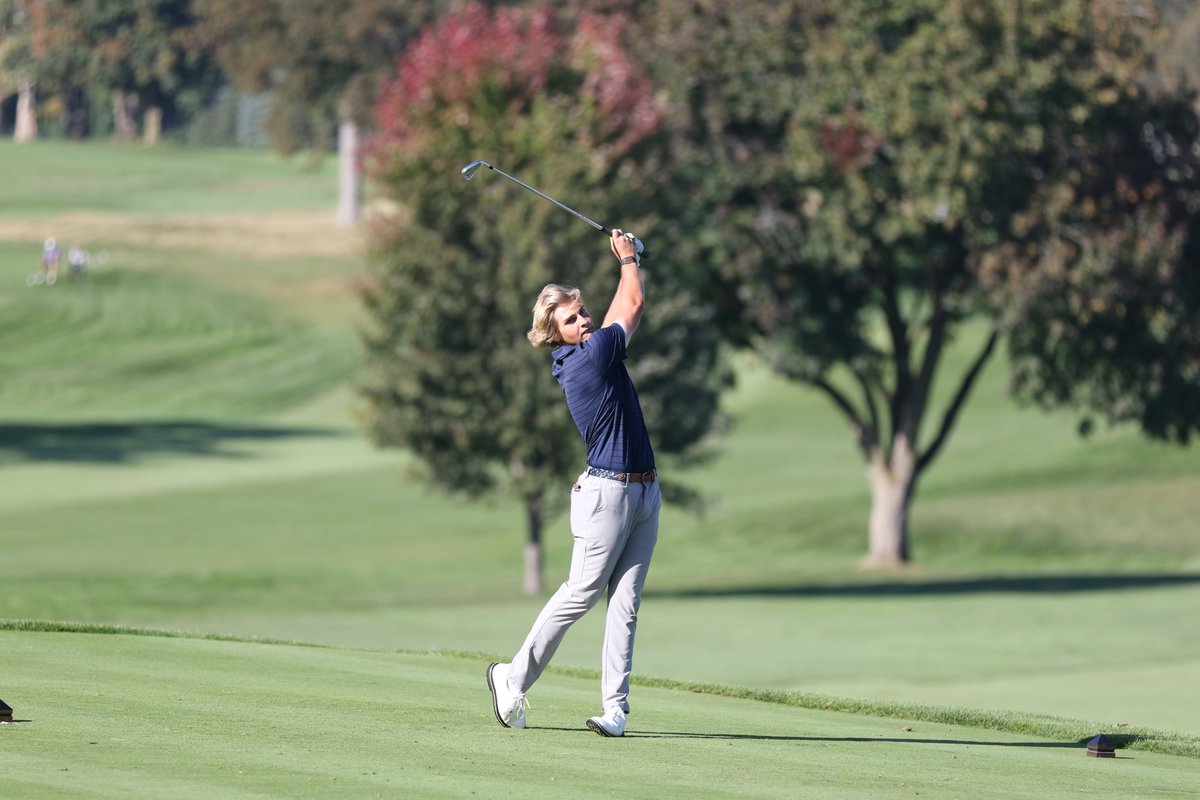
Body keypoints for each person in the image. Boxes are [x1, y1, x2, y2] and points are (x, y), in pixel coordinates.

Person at [487, 228, 661, 738]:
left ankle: (615, 710)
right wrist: (628, 257)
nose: (583, 321)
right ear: (552, 333)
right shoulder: (587, 361)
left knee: (625, 603)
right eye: (571, 319)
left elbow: (612, 319)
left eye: (583, 312)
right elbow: (631, 302)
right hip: (606, 495)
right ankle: (511, 677)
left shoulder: (595, 348)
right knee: (581, 593)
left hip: (645, 490)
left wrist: (626, 263)